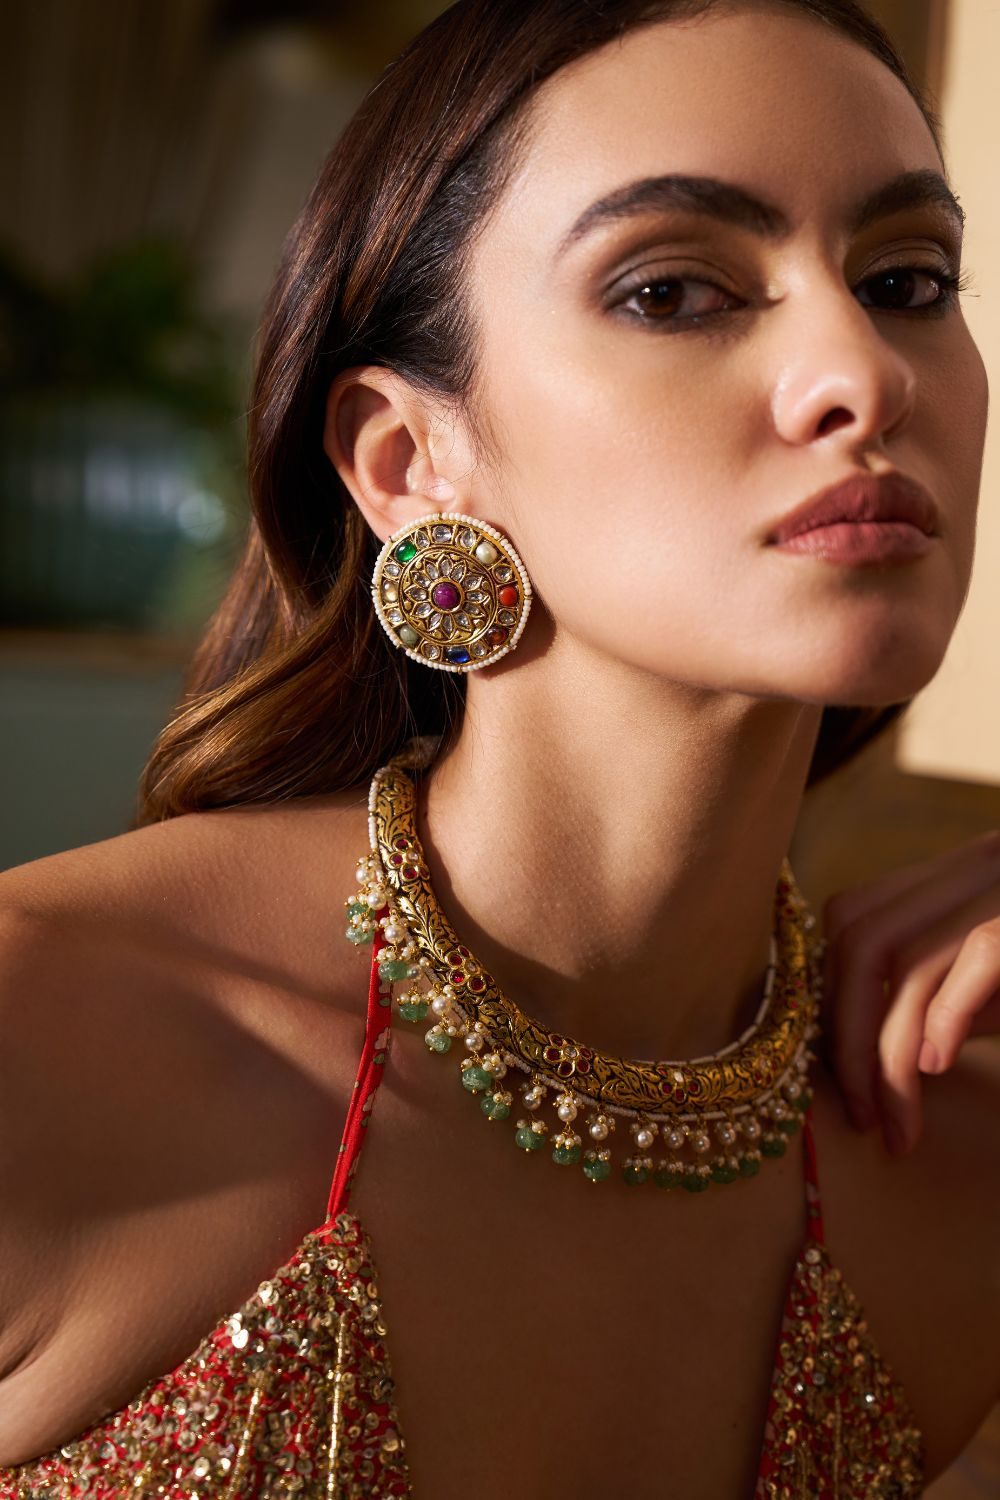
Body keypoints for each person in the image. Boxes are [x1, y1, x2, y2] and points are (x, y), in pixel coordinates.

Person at [0, 0, 998, 1494]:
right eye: (674, 292)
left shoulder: (952, 1171)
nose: (864, 372)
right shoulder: (47, 1039)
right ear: (411, 462)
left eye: (906, 280)